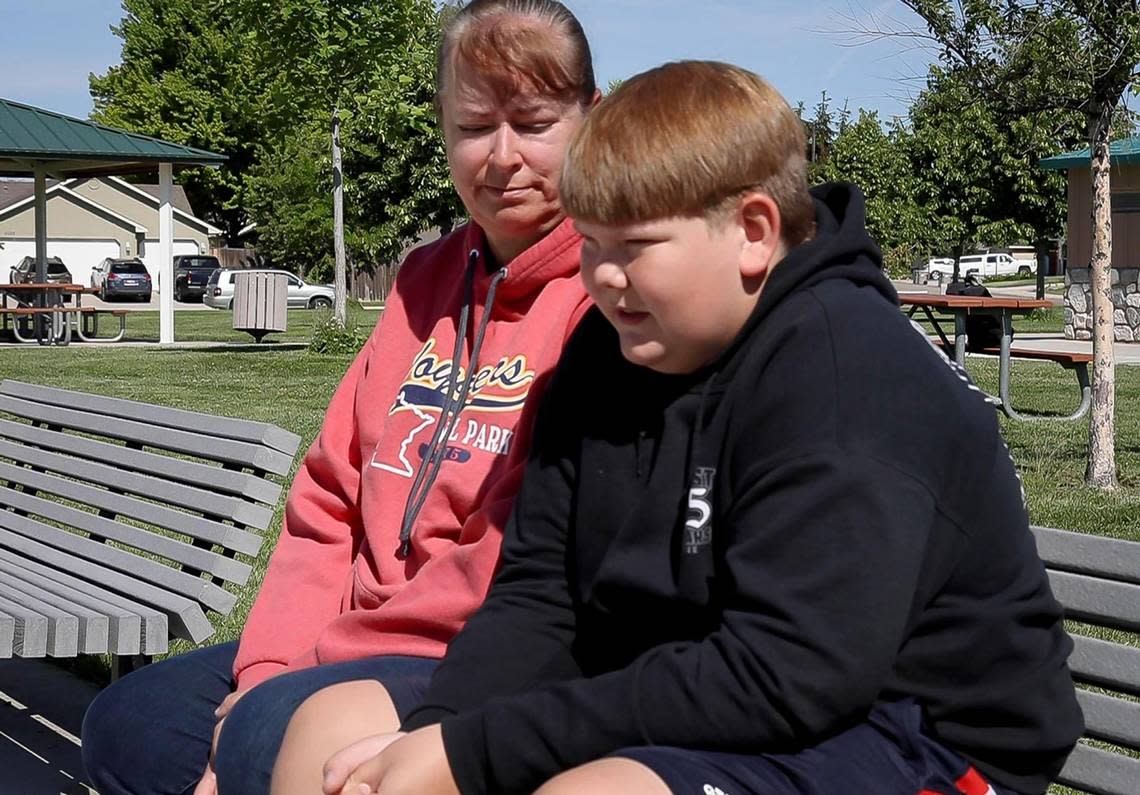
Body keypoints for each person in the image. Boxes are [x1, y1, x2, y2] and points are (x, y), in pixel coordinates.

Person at [314, 61, 1083, 795]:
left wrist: (480, 753)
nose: (603, 278)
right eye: (590, 243)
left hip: (923, 736)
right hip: (697, 686)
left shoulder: (848, 374)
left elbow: (788, 672)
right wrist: (442, 731)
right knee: (335, 730)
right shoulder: (606, 350)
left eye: (636, 246)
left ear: (752, 231)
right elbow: (541, 594)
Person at [80, 2, 599, 793]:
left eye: (532, 122)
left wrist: (299, 687)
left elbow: (519, 558)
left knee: (262, 741)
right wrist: (268, 670)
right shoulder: (424, 280)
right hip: (345, 637)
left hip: (476, 656)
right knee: (130, 722)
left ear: (589, 118)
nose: (501, 157)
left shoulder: (610, 298)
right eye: (472, 126)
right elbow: (331, 497)